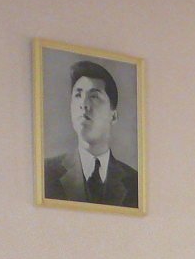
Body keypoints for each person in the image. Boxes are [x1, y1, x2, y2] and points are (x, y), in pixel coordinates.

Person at [43, 59, 139, 206]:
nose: (83, 104)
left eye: (94, 96)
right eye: (78, 95)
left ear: (113, 116)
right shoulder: (47, 173)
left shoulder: (135, 182)